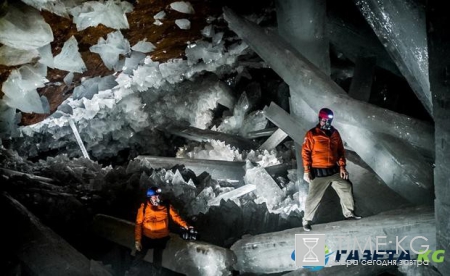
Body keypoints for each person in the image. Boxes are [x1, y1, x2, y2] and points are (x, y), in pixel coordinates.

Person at [301, 108, 361, 231]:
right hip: (318, 172)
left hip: (333, 170)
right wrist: (307, 170)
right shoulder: (312, 134)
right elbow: (305, 152)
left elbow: (340, 151)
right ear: (320, 119)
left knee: (346, 186)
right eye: (324, 120)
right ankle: (306, 221)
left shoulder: (335, 133)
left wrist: (342, 167)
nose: (326, 122)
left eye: (328, 120)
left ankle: (349, 214)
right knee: (313, 197)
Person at [131, 187, 192, 273]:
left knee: (157, 260)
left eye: (158, 195)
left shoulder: (167, 206)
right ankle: (132, 273)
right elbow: (138, 223)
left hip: (161, 238)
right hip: (147, 236)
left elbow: (176, 217)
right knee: (138, 257)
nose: (157, 197)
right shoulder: (144, 207)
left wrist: (186, 226)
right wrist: (138, 240)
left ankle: (155, 274)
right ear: (150, 197)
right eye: (154, 196)